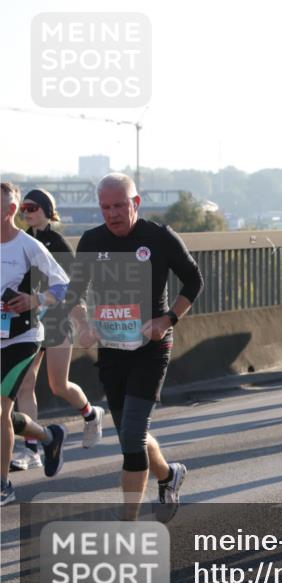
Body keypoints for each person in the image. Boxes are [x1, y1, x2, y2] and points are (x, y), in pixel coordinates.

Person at [68, 172, 203, 521]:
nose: (112, 214)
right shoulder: (91, 240)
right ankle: (170, 475)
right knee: (133, 434)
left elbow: (194, 280)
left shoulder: (158, 237)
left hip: (151, 348)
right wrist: (82, 324)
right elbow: (74, 292)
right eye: (105, 207)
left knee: (131, 439)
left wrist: (167, 320)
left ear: (136, 203)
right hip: (112, 349)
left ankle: (126, 526)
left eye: (119, 205)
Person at [13, 189, 104, 472]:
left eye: (31, 208)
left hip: (56, 321)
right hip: (30, 323)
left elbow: (72, 287)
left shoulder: (58, 243)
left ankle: (91, 414)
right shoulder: (23, 240)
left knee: (58, 385)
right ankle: (32, 450)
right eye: (23, 209)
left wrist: (82, 323)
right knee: (26, 384)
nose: (26, 213)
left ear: (45, 209)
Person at [1, 182, 71, 505]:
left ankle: (3, 485)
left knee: (1, 407)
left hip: (23, 338)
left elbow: (62, 285)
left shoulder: (29, 247)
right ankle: (48, 436)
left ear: (9, 211)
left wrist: (34, 300)